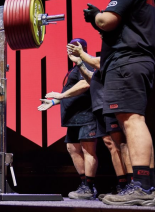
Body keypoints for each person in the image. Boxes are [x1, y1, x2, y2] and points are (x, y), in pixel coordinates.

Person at [83, 1, 155, 205]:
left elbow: (106, 21)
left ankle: (141, 186)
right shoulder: (148, 7)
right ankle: (147, 185)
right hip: (137, 62)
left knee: (132, 120)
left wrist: (96, 16)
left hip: (125, 62)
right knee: (134, 121)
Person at [66, 41, 131, 200]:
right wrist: (80, 61)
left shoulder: (108, 57)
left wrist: (81, 56)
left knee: (119, 144)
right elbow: (90, 78)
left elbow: (90, 74)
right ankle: (122, 186)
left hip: (109, 103)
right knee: (111, 145)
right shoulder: (89, 63)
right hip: (99, 106)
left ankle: (131, 184)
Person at [38, 38, 99, 200]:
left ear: (82, 48)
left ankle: (89, 187)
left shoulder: (86, 63)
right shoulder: (74, 67)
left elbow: (86, 84)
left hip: (87, 114)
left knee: (88, 150)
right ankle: (84, 184)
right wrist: (53, 101)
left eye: (74, 47)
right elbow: (72, 91)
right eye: (68, 47)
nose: (70, 50)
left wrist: (61, 95)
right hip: (74, 116)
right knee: (72, 149)